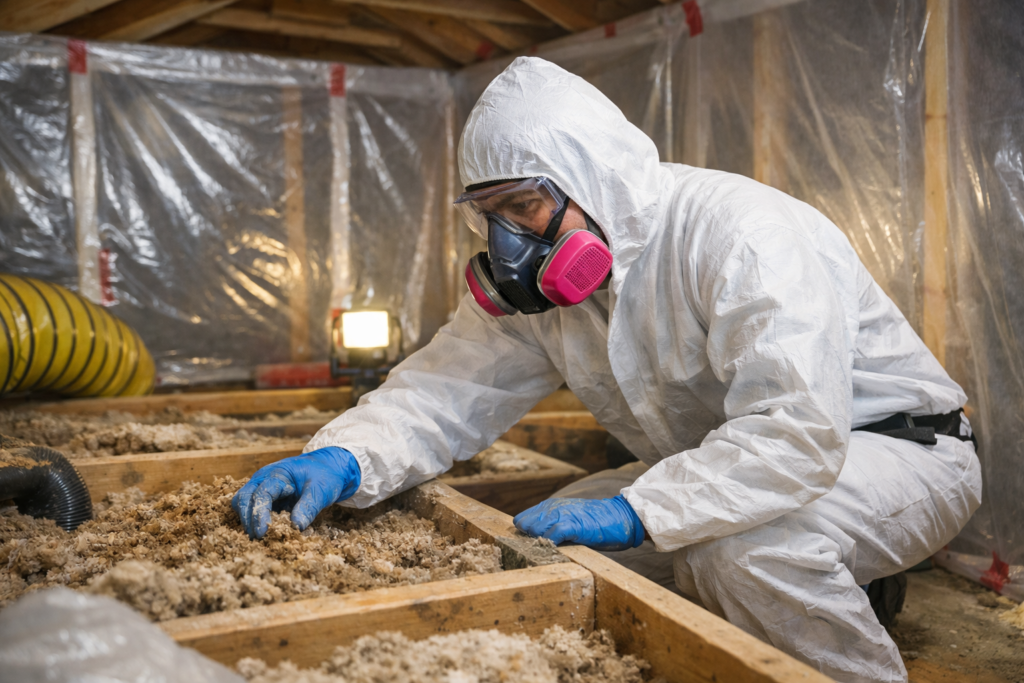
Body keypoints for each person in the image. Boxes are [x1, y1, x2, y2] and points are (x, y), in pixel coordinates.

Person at [232, 57, 981, 683]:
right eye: (491, 215)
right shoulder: (551, 294)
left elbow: (795, 433)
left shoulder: (741, 235)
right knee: (548, 548)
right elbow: (448, 387)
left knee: (739, 549)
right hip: (725, 463)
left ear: (590, 178)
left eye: (524, 206)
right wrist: (345, 455)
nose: (509, 241)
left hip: (890, 446)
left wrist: (641, 510)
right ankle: (837, 586)